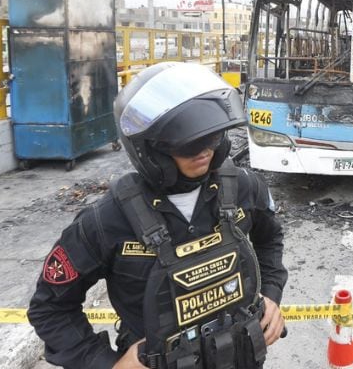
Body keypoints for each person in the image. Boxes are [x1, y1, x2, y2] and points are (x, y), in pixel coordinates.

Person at [28, 62, 287, 369]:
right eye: (189, 144)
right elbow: (50, 307)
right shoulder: (107, 220)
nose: (204, 151)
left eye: (212, 138)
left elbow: (270, 240)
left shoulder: (243, 188)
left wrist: (270, 296)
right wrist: (106, 363)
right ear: (149, 149)